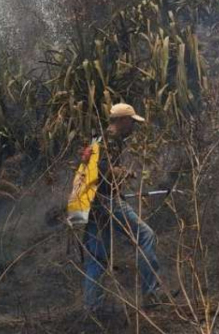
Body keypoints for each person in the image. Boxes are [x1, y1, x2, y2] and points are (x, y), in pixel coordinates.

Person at [80, 103, 168, 311]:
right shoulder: (111, 140)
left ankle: (93, 307)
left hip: (91, 204)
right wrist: (122, 173)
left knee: (97, 257)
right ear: (122, 120)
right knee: (146, 236)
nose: (133, 127)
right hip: (107, 201)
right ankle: (151, 294)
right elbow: (104, 171)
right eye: (132, 122)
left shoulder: (96, 138)